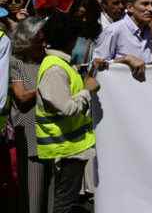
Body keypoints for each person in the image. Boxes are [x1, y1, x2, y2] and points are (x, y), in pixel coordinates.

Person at [34, 12, 99, 213]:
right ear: (70, 38)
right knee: (64, 203)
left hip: (70, 148)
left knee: (66, 202)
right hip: (64, 149)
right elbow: (67, 108)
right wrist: (88, 90)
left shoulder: (63, 64)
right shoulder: (55, 69)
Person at [8, 18, 49, 213]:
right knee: (34, 191)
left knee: (51, 192)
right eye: (38, 39)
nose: (43, 43)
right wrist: (46, 88)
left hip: (52, 131)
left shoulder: (49, 59)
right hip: (30, 131)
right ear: (26, 39)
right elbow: (22, 96)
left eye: (44, 38)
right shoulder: (16, 62)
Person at [93, 0, 152, 80]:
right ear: (130, 7)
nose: (151, 9)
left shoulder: (148, 31)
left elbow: (149, 65)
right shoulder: (114, 30)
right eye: (145, 4)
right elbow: (96, 64)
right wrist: (125, 60)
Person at [68, 0, 103, 67]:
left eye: (87, 16)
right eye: (79, 6)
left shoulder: (97, 33)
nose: (84, 20)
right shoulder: (62, 32)